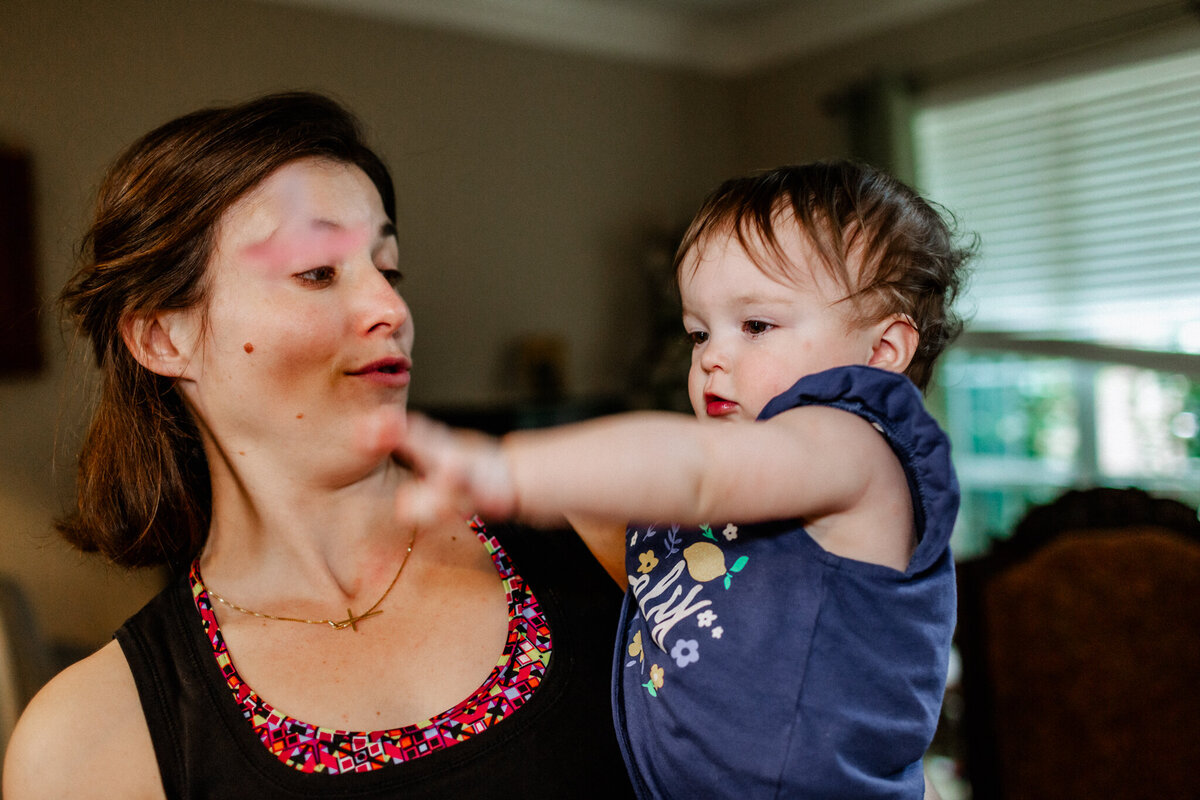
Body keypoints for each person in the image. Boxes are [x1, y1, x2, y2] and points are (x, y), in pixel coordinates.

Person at [2, 92, 634, 799]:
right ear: (162, 337)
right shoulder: (91, 742)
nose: (391, 309)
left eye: (388, 270)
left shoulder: (593, 526)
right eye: (318, 272)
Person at [395, 161, 970, 798]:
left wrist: (515, 470)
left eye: (756, 325)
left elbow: (695, 470)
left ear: (883, 353)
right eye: (698, 331)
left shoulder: (854, 444)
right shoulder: (752, 480)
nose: (710, 357)